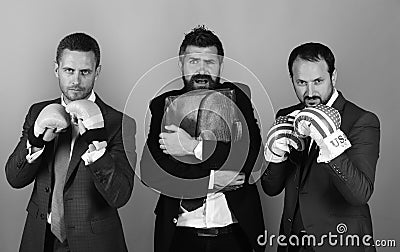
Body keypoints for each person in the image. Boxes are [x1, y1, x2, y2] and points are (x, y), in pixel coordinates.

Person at [5, 32, 136, 252]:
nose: (76, 81)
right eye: (69, 70)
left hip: (95, 243)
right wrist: (36, 140)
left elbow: (120, 196)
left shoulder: (119, 123)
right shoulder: (37, 112)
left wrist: (97, 146)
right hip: (40, 238)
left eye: (85, 72)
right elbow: (14, 178)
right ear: (56, 69)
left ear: (97, 72)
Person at [140, 26, 265, 252]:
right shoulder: (162, 105)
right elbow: (151, 172)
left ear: (221, 65)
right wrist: (210, 181)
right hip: (180, 235)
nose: (202, 70)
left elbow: (254, 157)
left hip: (236, 233)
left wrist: (194, 147)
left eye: (210, 62)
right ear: (181, 64)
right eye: (194, 61)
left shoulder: (239, 100)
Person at [261, 42, 380, 252]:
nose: (310, 92)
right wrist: (276, 155)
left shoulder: (361, 120)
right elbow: (271, 188)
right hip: (293, 244)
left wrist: (331, 144)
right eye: (301, 82)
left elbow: (360, 194)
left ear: (333, 77)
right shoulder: (287, 116)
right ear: (292, 80)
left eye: (318, 81)